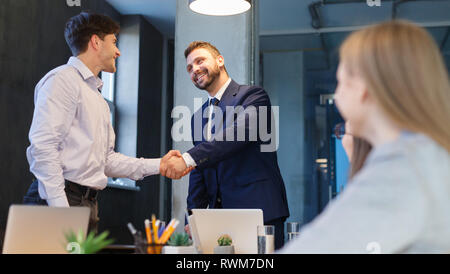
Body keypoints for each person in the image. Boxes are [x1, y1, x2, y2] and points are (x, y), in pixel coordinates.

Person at [279, 20, 450, 253]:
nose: (337, 96)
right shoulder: (427, 154)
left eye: (340, 82)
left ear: (364, 88)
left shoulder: (402, 167)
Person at [23, 12, 189, 233]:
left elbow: (106, 161)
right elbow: (43, 149)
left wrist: (159, 164)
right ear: (95, 42)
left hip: (86, 204)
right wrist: (61, 212)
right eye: (114, 42)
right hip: (59, 201)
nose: (118, 51)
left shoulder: (97, 98)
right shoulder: (62, 80)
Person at [160, 41, 290, 249]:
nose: (194, 69)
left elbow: (237, 135)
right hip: (219, 219)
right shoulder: (197, 117)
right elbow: (199, 170)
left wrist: (185, 159)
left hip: (260, 211)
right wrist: (193, 219)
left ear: (220, 60)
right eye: (189, 68)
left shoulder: (253, 96)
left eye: (200, 61)